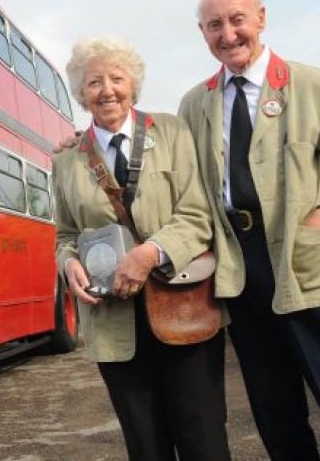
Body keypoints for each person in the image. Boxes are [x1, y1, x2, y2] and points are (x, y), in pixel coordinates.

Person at [177, 0, 320, 461]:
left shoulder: (311, 84)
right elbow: (168, 171)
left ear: (260, 17)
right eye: (215, 25)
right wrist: (85, 146)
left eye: (237, 19)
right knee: (274, 410)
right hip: (239, 270)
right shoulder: (195, 105)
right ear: (203, 33)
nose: (229, 33)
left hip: (307, 258)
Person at [54, 34, 231, 461]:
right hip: (112, 318)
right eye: (94, 82)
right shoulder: (66, 159)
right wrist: (69, 265)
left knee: (202, 435)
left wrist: (148, 254)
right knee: (144, 442)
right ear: (81, 93)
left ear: (133, 84)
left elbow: (197, 215)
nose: (107, 90)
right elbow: (64, 234)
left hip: (183, 305)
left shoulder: (170, 131)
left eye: (117, 78)